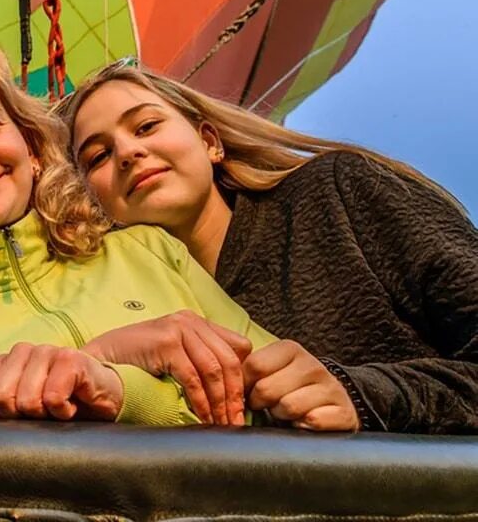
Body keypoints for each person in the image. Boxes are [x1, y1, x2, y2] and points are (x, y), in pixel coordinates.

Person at [0, 37, 356, 430]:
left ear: (33, 149)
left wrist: (321, 395)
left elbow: (274, 403)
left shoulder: (149, 250)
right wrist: (106, 366)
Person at [64, 59, 478, 433]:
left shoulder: (336, 193)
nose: (128, 152)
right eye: (98, 156)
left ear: (211, 142)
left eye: (146, 126)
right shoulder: (128, 313)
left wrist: (362, 395)